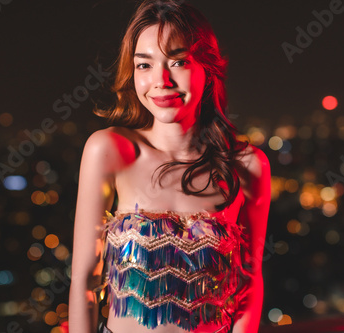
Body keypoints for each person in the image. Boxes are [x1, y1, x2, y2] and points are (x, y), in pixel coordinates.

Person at [68, 0, 271, 332]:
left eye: (178, 62)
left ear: (208, 67)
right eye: (144, 65)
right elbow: (84, 280)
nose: (160, 80)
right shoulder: (109, 150)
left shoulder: (248, 165)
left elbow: (249, 283)